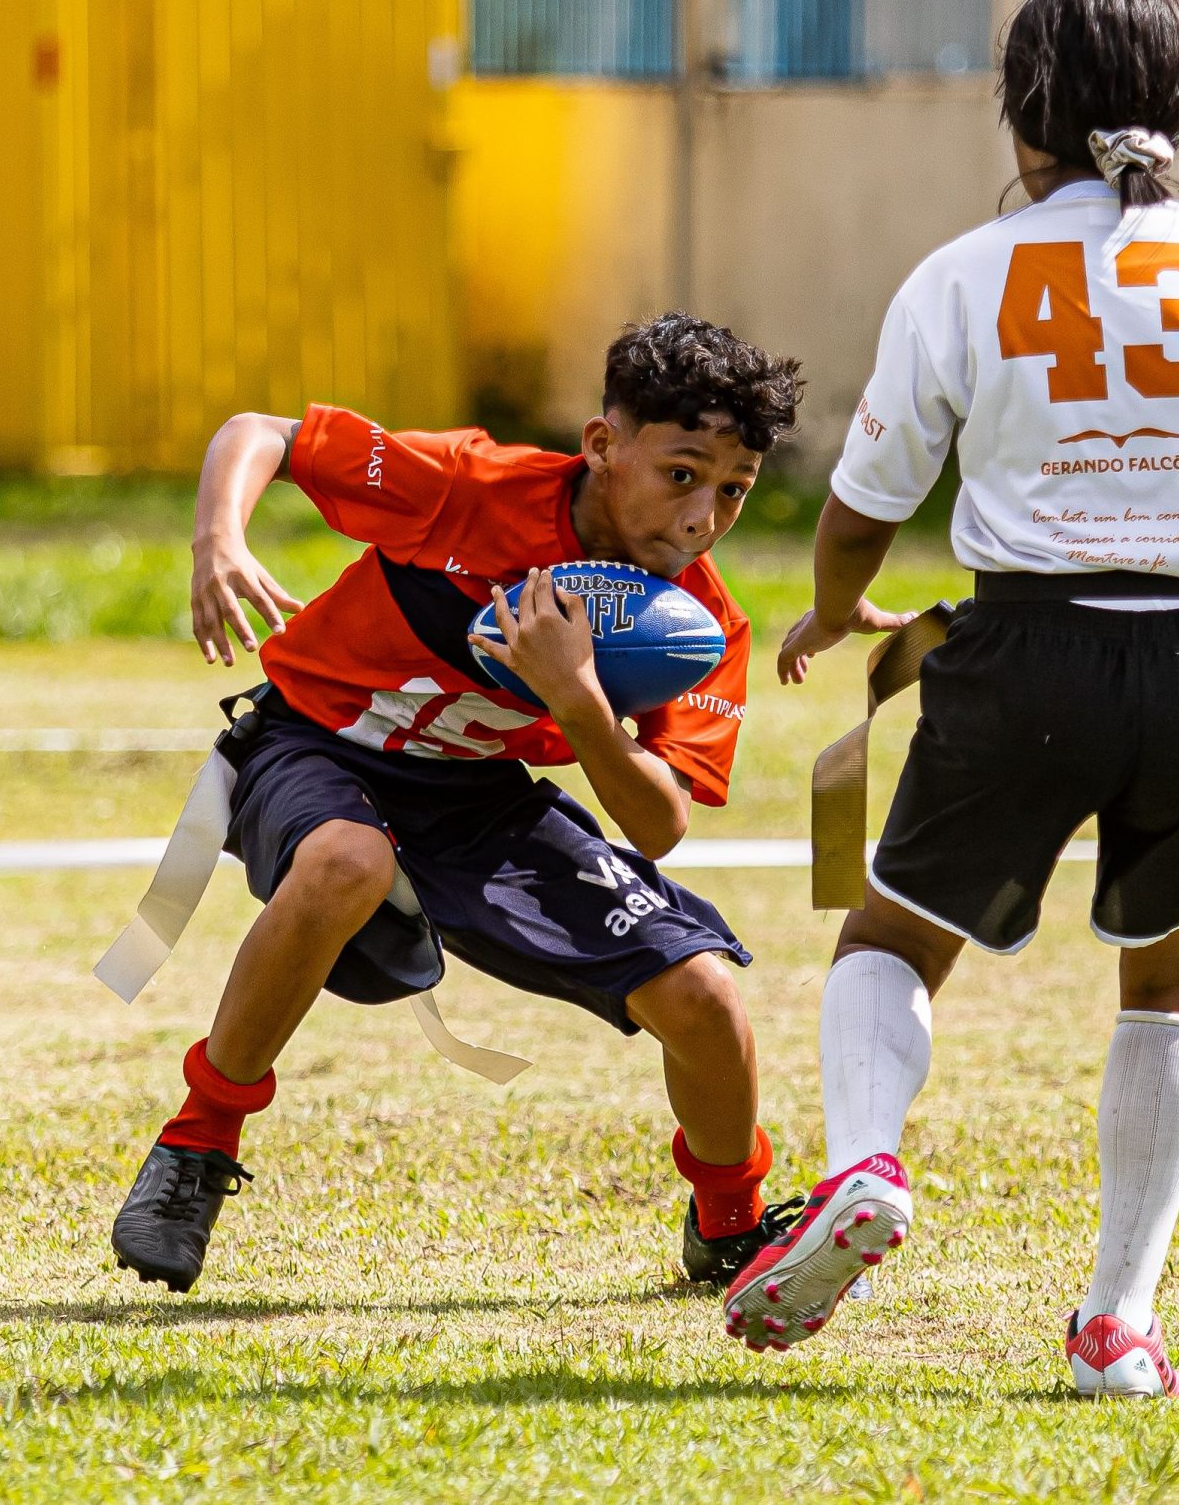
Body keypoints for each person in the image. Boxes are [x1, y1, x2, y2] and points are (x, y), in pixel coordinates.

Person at [722, 0, 1179, 1394]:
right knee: (1175, 984)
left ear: (1018, 120)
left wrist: (834, 606)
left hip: (1024, 653)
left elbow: (864, 500)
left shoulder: (959, 274)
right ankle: (1119, 1321)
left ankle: (866, 1162)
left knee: (890, 936)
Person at [110, 315, 810, 1295]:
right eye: (682, 473)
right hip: (314, 741)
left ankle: (730, 1227)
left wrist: (580, 699)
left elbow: (660, 824)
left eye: (733, 491)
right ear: (603, 447)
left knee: (703, 994)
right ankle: (195, 1147)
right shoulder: (473, 487)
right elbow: (259, 432)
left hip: (474, 799)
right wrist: (217, 538)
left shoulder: (700, 622)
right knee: (346, 861)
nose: (702, 517)